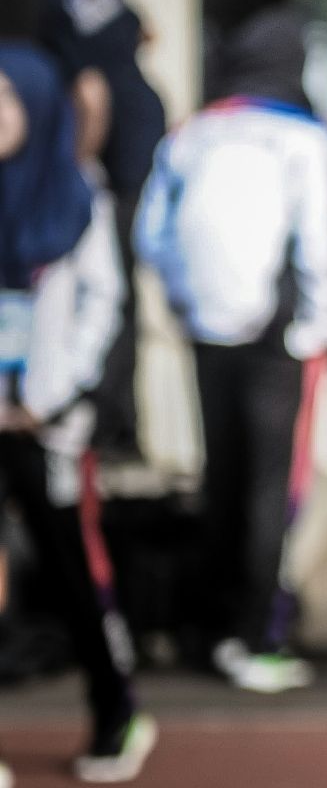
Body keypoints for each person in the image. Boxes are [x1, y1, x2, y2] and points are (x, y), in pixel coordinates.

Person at [135, 6, 327, 694]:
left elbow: (151, 234)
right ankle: (256, 636)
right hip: (275, 340)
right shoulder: (303, 139)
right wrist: (317, 327)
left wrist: (186, 304)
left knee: (218, 477)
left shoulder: (192, 132)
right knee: (266, 488)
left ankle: (209, 630)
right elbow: (319, 243)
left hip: (207, 334)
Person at [0, 45, 155, 782]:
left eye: (4, 99)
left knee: (71, 571)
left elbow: (104, 303)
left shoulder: (75, 195)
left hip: (48, 423)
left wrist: (60, 396)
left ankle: (116, 712)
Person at [33, 0, 168, 459]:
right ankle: (121, 421)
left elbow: (91, 95)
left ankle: (110, 423)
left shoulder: (43, 0)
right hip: (148, 132)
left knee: (107, 287)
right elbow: (146, 32)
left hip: (113, 153)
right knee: (125, 288)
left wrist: (79, 168)